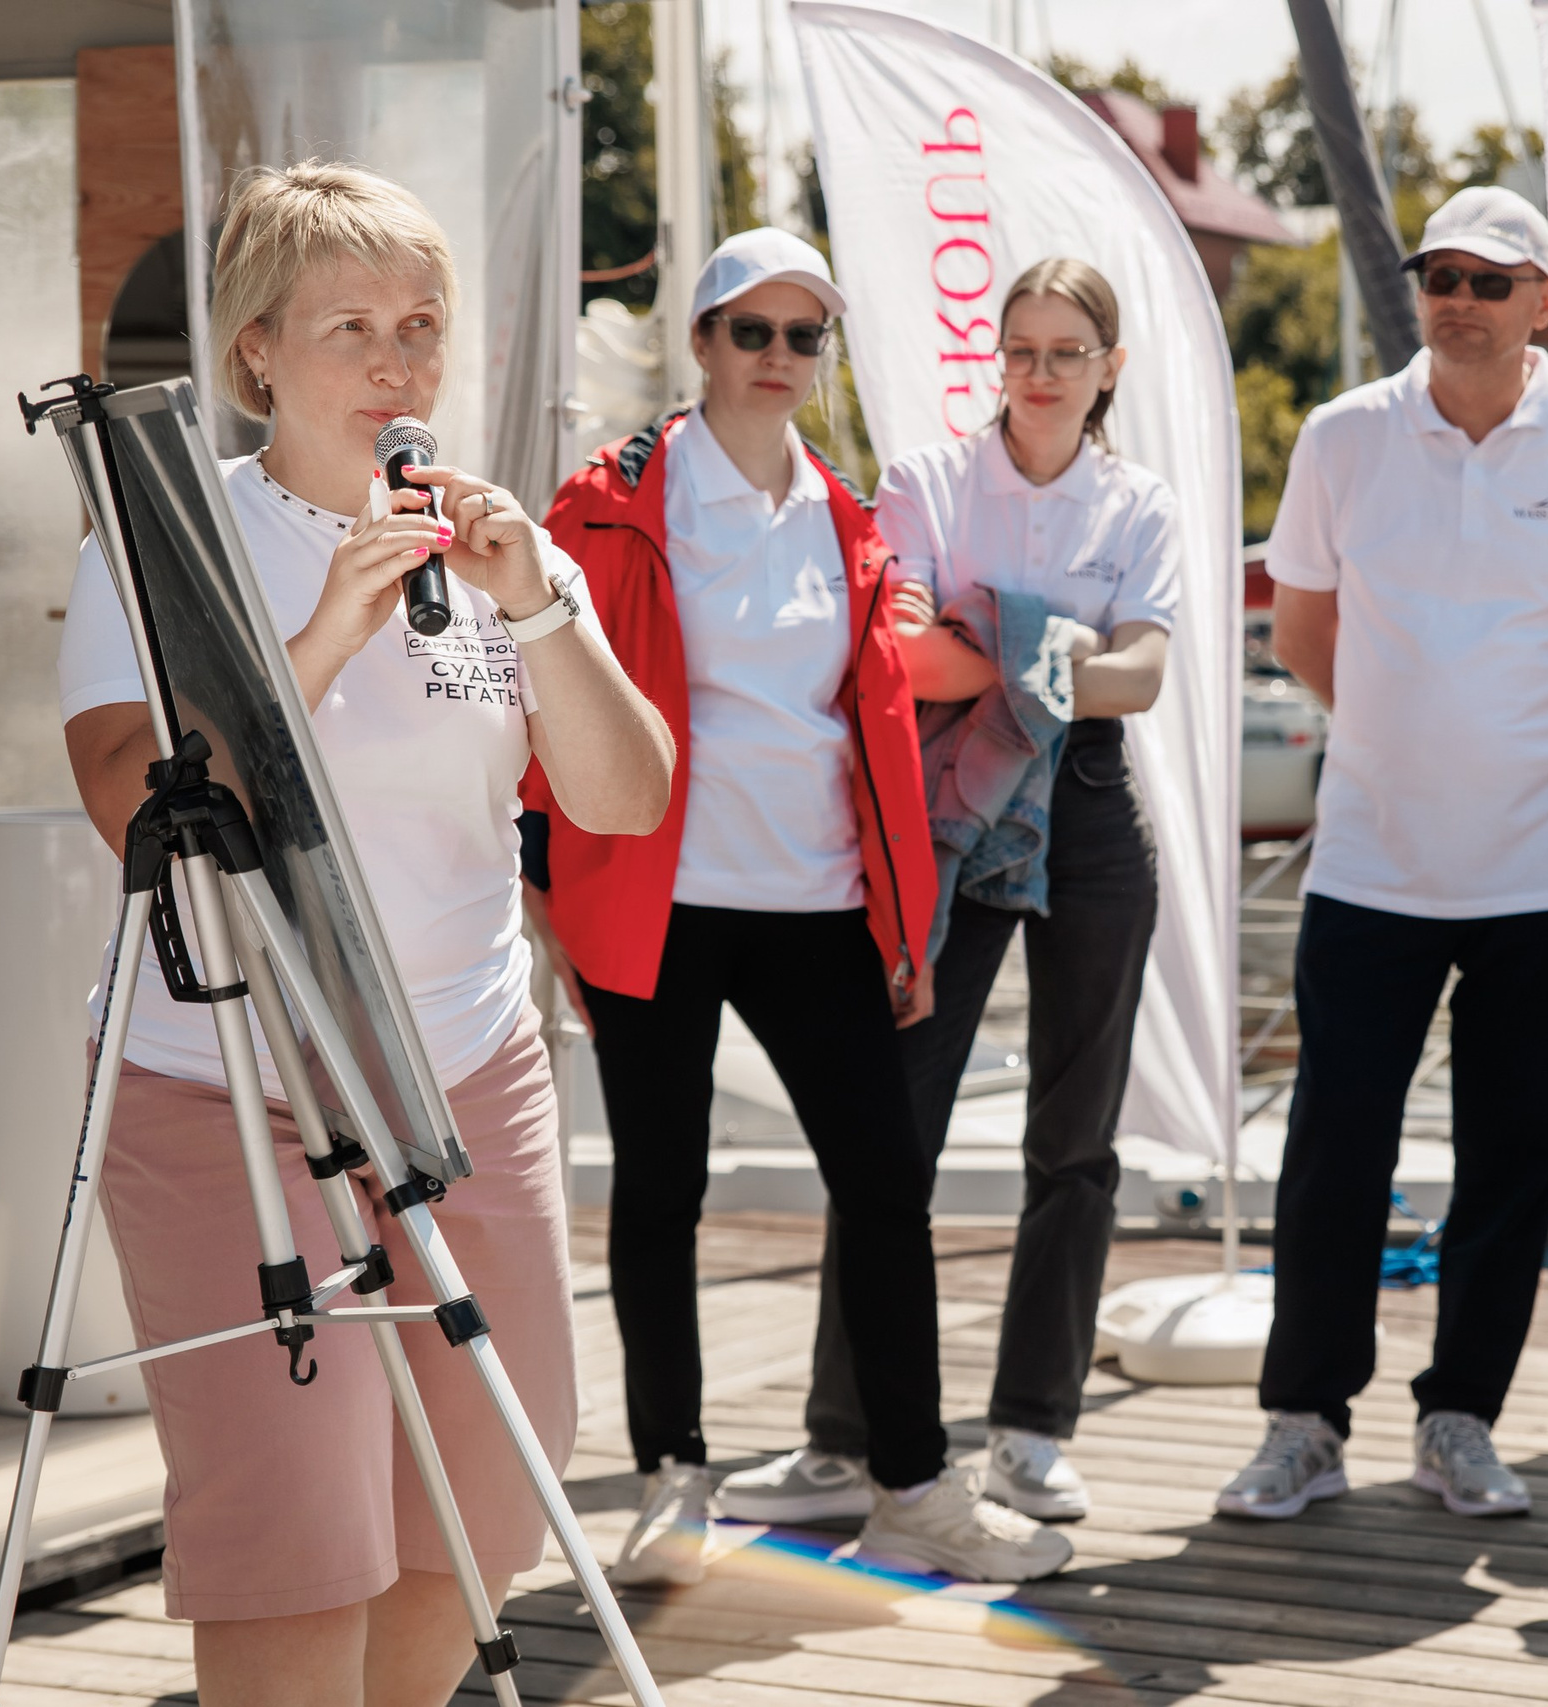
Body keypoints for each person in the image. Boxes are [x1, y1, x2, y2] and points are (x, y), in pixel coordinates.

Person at [57, 163, 673, 1707]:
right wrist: (327, 626)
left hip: (458, 1066)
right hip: (228, 1083)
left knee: (479, 1491)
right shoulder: (160, 549)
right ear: (258, 349)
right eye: (354, 329)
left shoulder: (498, 553)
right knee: (294, 1517)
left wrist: (536, 604)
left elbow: (628, 794)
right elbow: (136, 799)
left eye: (423, 325)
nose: (400, 367)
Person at [525, 227, 1073, 1585]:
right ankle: (674, 1478)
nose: (778, 358)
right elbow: (539, 721)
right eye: (751, 331)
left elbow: (873, 720)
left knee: (886, 1189)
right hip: (659, 898)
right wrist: (550, 904)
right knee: (658, 1193)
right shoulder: (603, 507)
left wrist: (900, 922)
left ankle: (912, 1486)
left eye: (801, 336)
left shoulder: (846, 516)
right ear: (701, 342)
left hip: (822, 903)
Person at [1218, 186, 1548, 1524]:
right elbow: (1302, 633)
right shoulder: (1344, 436)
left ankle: (1460, 1418)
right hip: (1371, 863)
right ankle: (1305, 1419)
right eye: (1442, 273)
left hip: (1547, 869)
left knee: (1512, 1155)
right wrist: (1396, 728)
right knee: (1335, 1152)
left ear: (1546, 299)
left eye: (1493, 280)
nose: (1461, 297)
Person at [718, 258, 1177, 1528]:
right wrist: (1047, 647)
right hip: (947, 809)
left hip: (1084, 803)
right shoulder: (925, 480)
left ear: (1108, 369)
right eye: (1020, 349)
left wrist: (997, 649)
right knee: (891, 1133)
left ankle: (1033, 1429)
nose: (1038, 375)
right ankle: (838, 1439)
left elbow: (1140, 683)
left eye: (1066, 353)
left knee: (1073, 1141)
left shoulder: (1138, 501)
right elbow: (901, 660)